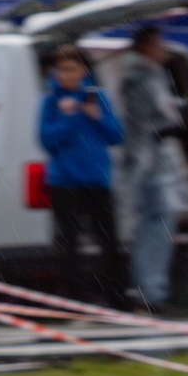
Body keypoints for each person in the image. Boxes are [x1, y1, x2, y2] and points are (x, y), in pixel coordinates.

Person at [35, 46, 126, 307]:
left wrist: (95, 116)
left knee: (108, 240)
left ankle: (116, 297)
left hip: (97, 179)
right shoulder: (50, 101)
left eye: (71, 68)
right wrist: (67, 117)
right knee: (69, 243)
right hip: (64, 181)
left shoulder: (97, 97)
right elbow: (46, 141)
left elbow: (116, 135)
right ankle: (74, 298)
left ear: (83, 70)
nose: (66, 75)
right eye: (61, 69)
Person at [113, 23, 186, 310]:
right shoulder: (140, 78)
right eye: (158, 43)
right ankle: (149, 291)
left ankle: (151, 289)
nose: (163, 48)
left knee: (158, 226)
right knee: (153, 226)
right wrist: (169, 125)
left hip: (156, 164)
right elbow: (148, 122)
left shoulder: (150, 76)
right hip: (148, 165)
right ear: (146, 46)